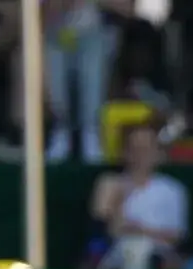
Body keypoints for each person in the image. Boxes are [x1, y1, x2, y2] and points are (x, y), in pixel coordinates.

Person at [88, 118, 186, 269]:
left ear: (158, 153)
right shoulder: (110, 183)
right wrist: (119, 195)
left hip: (160, 256)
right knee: (133, 249)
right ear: (124, 152)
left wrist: (141, 231)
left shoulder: (172, 189)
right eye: (135, 149)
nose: (141, 155)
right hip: (117, 253)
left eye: (146, 149)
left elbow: (176, 236)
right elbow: (107, 228)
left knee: (140, 250)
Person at [44, 0, 130, 164]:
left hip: (93, 35)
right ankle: (60, 132)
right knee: (53, 57)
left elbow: (127, 8)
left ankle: (91, 134)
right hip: (54, 36)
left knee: (94, 53)